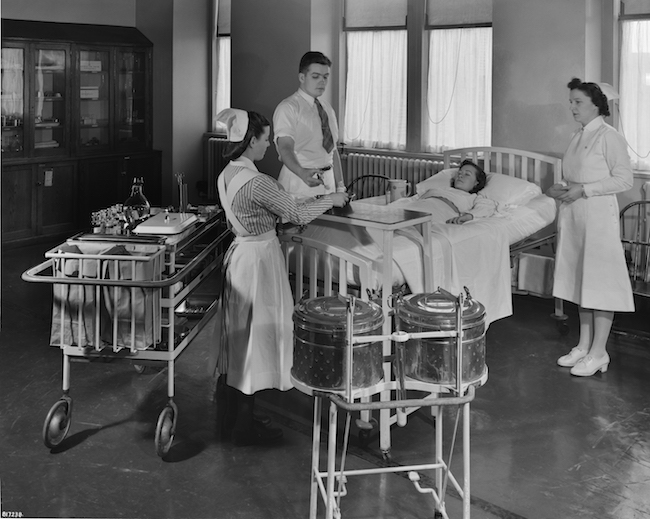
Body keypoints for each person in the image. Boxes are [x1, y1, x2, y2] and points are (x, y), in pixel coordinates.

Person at [214, 108, 349, 445]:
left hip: (241, 256)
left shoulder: (228, 173)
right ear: (249, 142)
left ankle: (236, 417)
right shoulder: (257, 181)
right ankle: (242, 429)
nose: (269, 146)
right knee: (257, 339)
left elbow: (274, 210)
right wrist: (331, 198)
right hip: (259, 261)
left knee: (241, 339)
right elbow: (297, 212)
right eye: (264, 139)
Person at [546, 78, 634, 377]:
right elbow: (574, 176)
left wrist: (584, 190)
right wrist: (559, 188)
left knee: (600, 284)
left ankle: (599, 352)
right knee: (580, 281)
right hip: (575, 217)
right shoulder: (578, 135)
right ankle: (583, 346)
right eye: (570, 101)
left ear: (596, 104)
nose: (571, 107)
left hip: (597, 219)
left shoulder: (609, 137)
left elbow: (624, 180)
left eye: (577, 102)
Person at [273, 51, 346, 199]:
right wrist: (301, 172)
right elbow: (285, 147)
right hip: (300, 184)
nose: (322, 82)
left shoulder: (327, 108)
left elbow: (332, 150)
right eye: (315, 77)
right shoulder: (288, 108)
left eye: (325, 77)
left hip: (328, 185)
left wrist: (340, 186)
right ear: (302, 77)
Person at [418, 159, 497, 224]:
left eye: (467, 174)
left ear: (477, 182)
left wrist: (468, 216)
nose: (460, 176)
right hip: (416, 207)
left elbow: (486, 208)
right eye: (459, 173)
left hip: (437, 213)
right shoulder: (441, 189)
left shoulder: (474, 198)